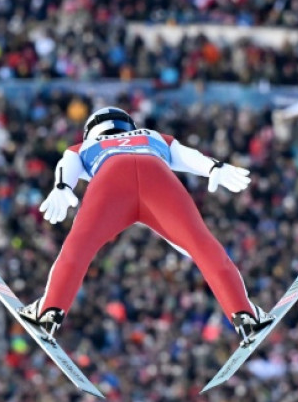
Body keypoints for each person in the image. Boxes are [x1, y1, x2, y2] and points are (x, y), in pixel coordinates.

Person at [18, 107, 274, 346]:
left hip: (111, 178)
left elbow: (68, 164)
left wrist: (62, 186)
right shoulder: (153, 136)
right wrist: (214, 167)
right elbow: (187, 155)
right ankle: (243, 313)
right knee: (202, 245)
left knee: (78, 247)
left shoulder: (85, 145)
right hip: (157, 175)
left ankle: (50, 310)